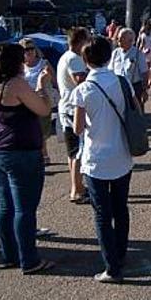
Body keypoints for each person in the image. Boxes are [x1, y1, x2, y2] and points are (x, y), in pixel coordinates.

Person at [0, 43, 55, 274]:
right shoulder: (16, 84)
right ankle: (29, 260)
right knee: (25, 208)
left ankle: (9, 254)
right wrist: (43, 87)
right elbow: (44, 109)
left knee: (5, 205)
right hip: (20, 150)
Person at [72, 37, 136, 283]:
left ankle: (111, 267)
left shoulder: (83, 90)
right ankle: (120, 254)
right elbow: (134, 110)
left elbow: (77, 128)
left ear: (85, 60)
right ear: (109, 56)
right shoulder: (122, 82)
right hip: (122, 154)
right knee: (121, 208)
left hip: (96, 159)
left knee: (101, 214)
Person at [57, 27, 90, 204]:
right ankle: (77, 190)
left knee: (72, 152)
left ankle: (76, 186)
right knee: (78, 151)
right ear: (80, 42)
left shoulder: (65, 57)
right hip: (73, 109)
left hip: (66, 107)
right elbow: (80, 80)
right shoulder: (75, 59)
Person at [20, 38, 56, 165]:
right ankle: (41, 156)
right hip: (26, 102)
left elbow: (55, 81)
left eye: (31, 48)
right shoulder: (20, 67)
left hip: (42, 101)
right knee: (30, 130)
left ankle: (44, 155)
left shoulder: (44, 63)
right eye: (25, 50)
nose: (29, 52)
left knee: (41, 132)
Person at [110, 27, 150, 110]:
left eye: (121, 39)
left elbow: (145, 73)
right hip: (118, 87)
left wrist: (144, 90)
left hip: (135, 87)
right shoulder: (115, 53)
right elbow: (110, 70)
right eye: (118, 38)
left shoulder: (138, 54)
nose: (118, 41)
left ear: (130, 41)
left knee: (136, 112)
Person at [137, 21, 151, 91]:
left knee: (146, 69)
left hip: (145, 53)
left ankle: (148, 82)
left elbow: (142, 45)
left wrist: (138, 52)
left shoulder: (143, 35)